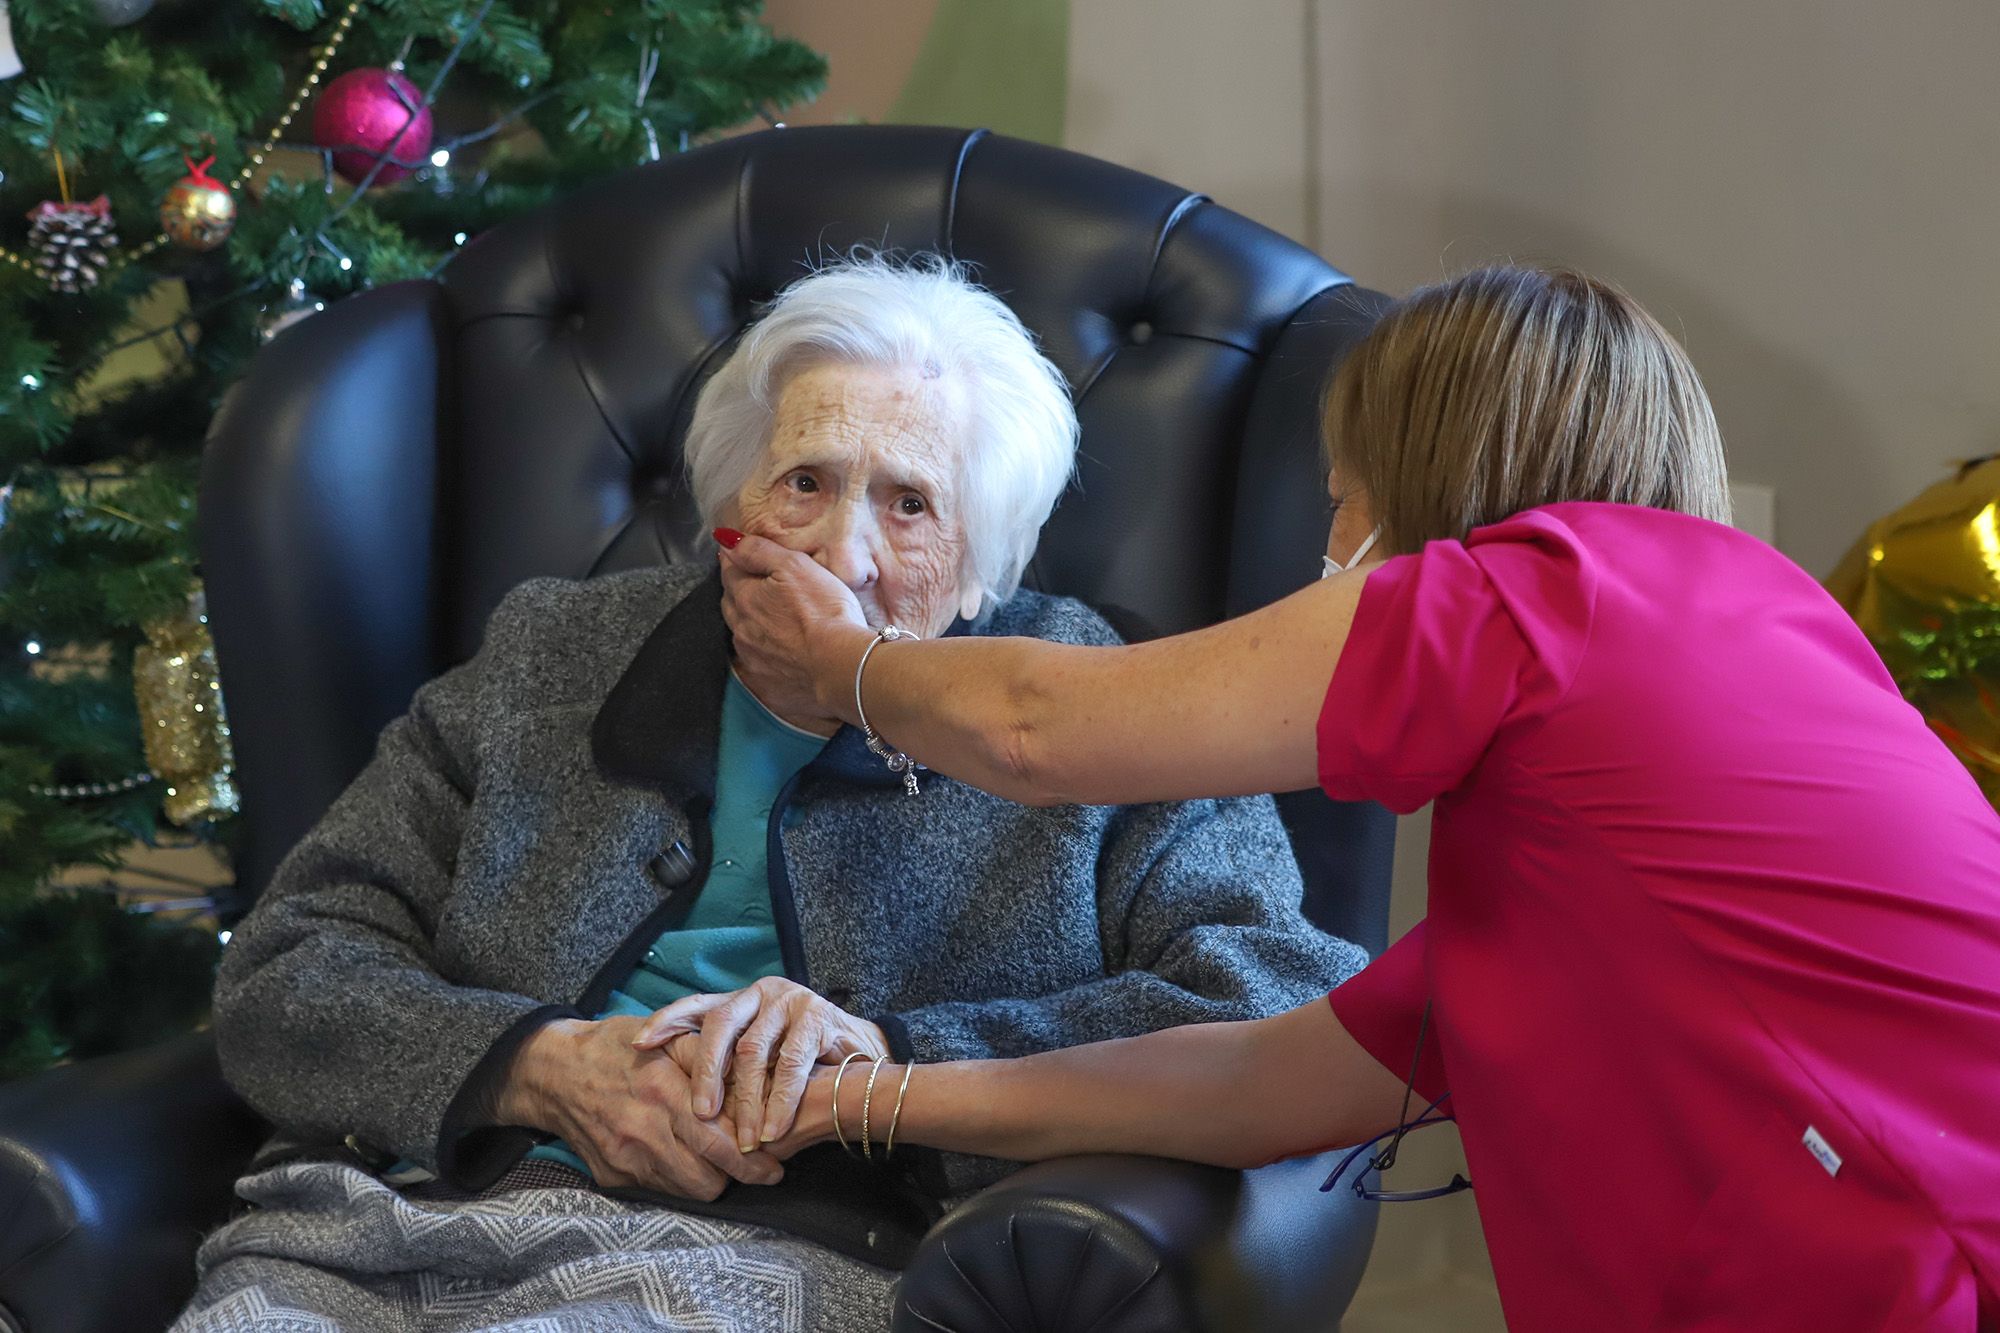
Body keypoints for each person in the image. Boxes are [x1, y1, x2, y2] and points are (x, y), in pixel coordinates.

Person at [718, 265, 2000, 1330]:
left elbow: (1034, 728)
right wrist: (868, 1088)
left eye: (1339, 505)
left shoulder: (1528, 596)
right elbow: (1251, 1085)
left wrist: (844, 665)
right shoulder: (1721, 662)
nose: (1324, 557)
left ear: (1417, 484)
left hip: (1910, 1253)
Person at [172, 256, 1366, 1333]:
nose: (839, 556)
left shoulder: (1094, 705)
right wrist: (540, 1065)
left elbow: (1281, 996)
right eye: (804, 482)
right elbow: (288, 965)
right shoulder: (549, 655)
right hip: (396, 1224)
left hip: (786, 1255)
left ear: (983, 564)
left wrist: (891, 1066)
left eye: (908, 505)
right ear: (728, 511)